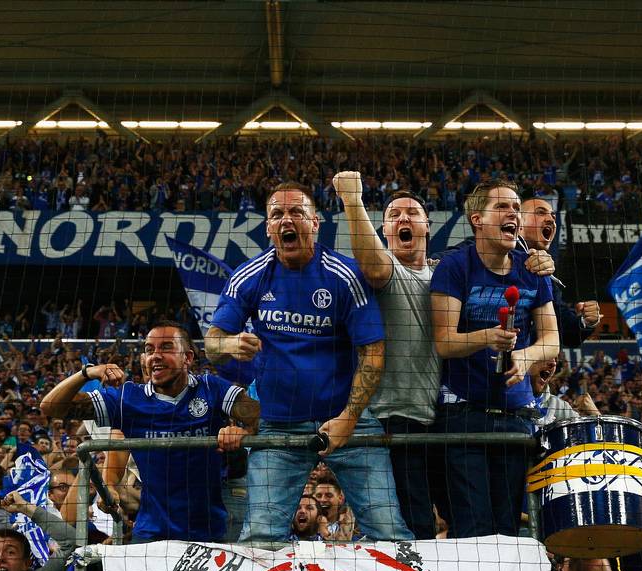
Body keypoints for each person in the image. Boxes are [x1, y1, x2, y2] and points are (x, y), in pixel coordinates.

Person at [207, 181, 412, 542]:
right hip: (278, 427)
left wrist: (349, 418)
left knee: (390, 534)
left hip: (350, 423)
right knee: (260, 539)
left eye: (296, 212)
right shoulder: (249, 277)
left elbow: (373, 352)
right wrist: (229, 342)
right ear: (268, 227)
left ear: (315, 222)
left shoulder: (345, 276)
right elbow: (211, 344)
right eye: (277, 214)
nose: (287, 220)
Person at [41, 320, 259, 542]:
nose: (155, 355)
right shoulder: (128, 398)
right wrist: (87, 373)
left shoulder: (212, 388)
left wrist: (244, 432)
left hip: (210, 530)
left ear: (188, 358)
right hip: (152, 533)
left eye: (166, 347)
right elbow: (51, 407)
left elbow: (261, 418)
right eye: (149, 349)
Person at [430, 181, 559, 537]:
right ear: (477, 219)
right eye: (503, 207)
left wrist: (525, 355)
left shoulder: (532, 270)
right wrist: (488, 337)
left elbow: (552, 340)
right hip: (463, 415)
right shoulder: (455, 267)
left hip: (516, 419)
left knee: (508, 526)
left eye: (517, 208)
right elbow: (444, 342)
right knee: (472, 528)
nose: (514, 214)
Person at [334, 172, 441, 538]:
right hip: (390, 420)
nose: (403, 219)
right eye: (394, 215)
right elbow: (373, 265)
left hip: (439, 420)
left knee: (448, 528)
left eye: (412, 213)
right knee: (407, 529)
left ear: (428, 225)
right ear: (383, 230)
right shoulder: (385, 270)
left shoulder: (444, 279)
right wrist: (353, 202)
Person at [518, 196, 602, 346]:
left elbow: (568, 333)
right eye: (540, 213)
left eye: (553, 216)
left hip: (519, 366)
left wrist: (587, 321)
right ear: (518, 223)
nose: (551, 219)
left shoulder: (544, 276)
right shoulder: (480, 252)